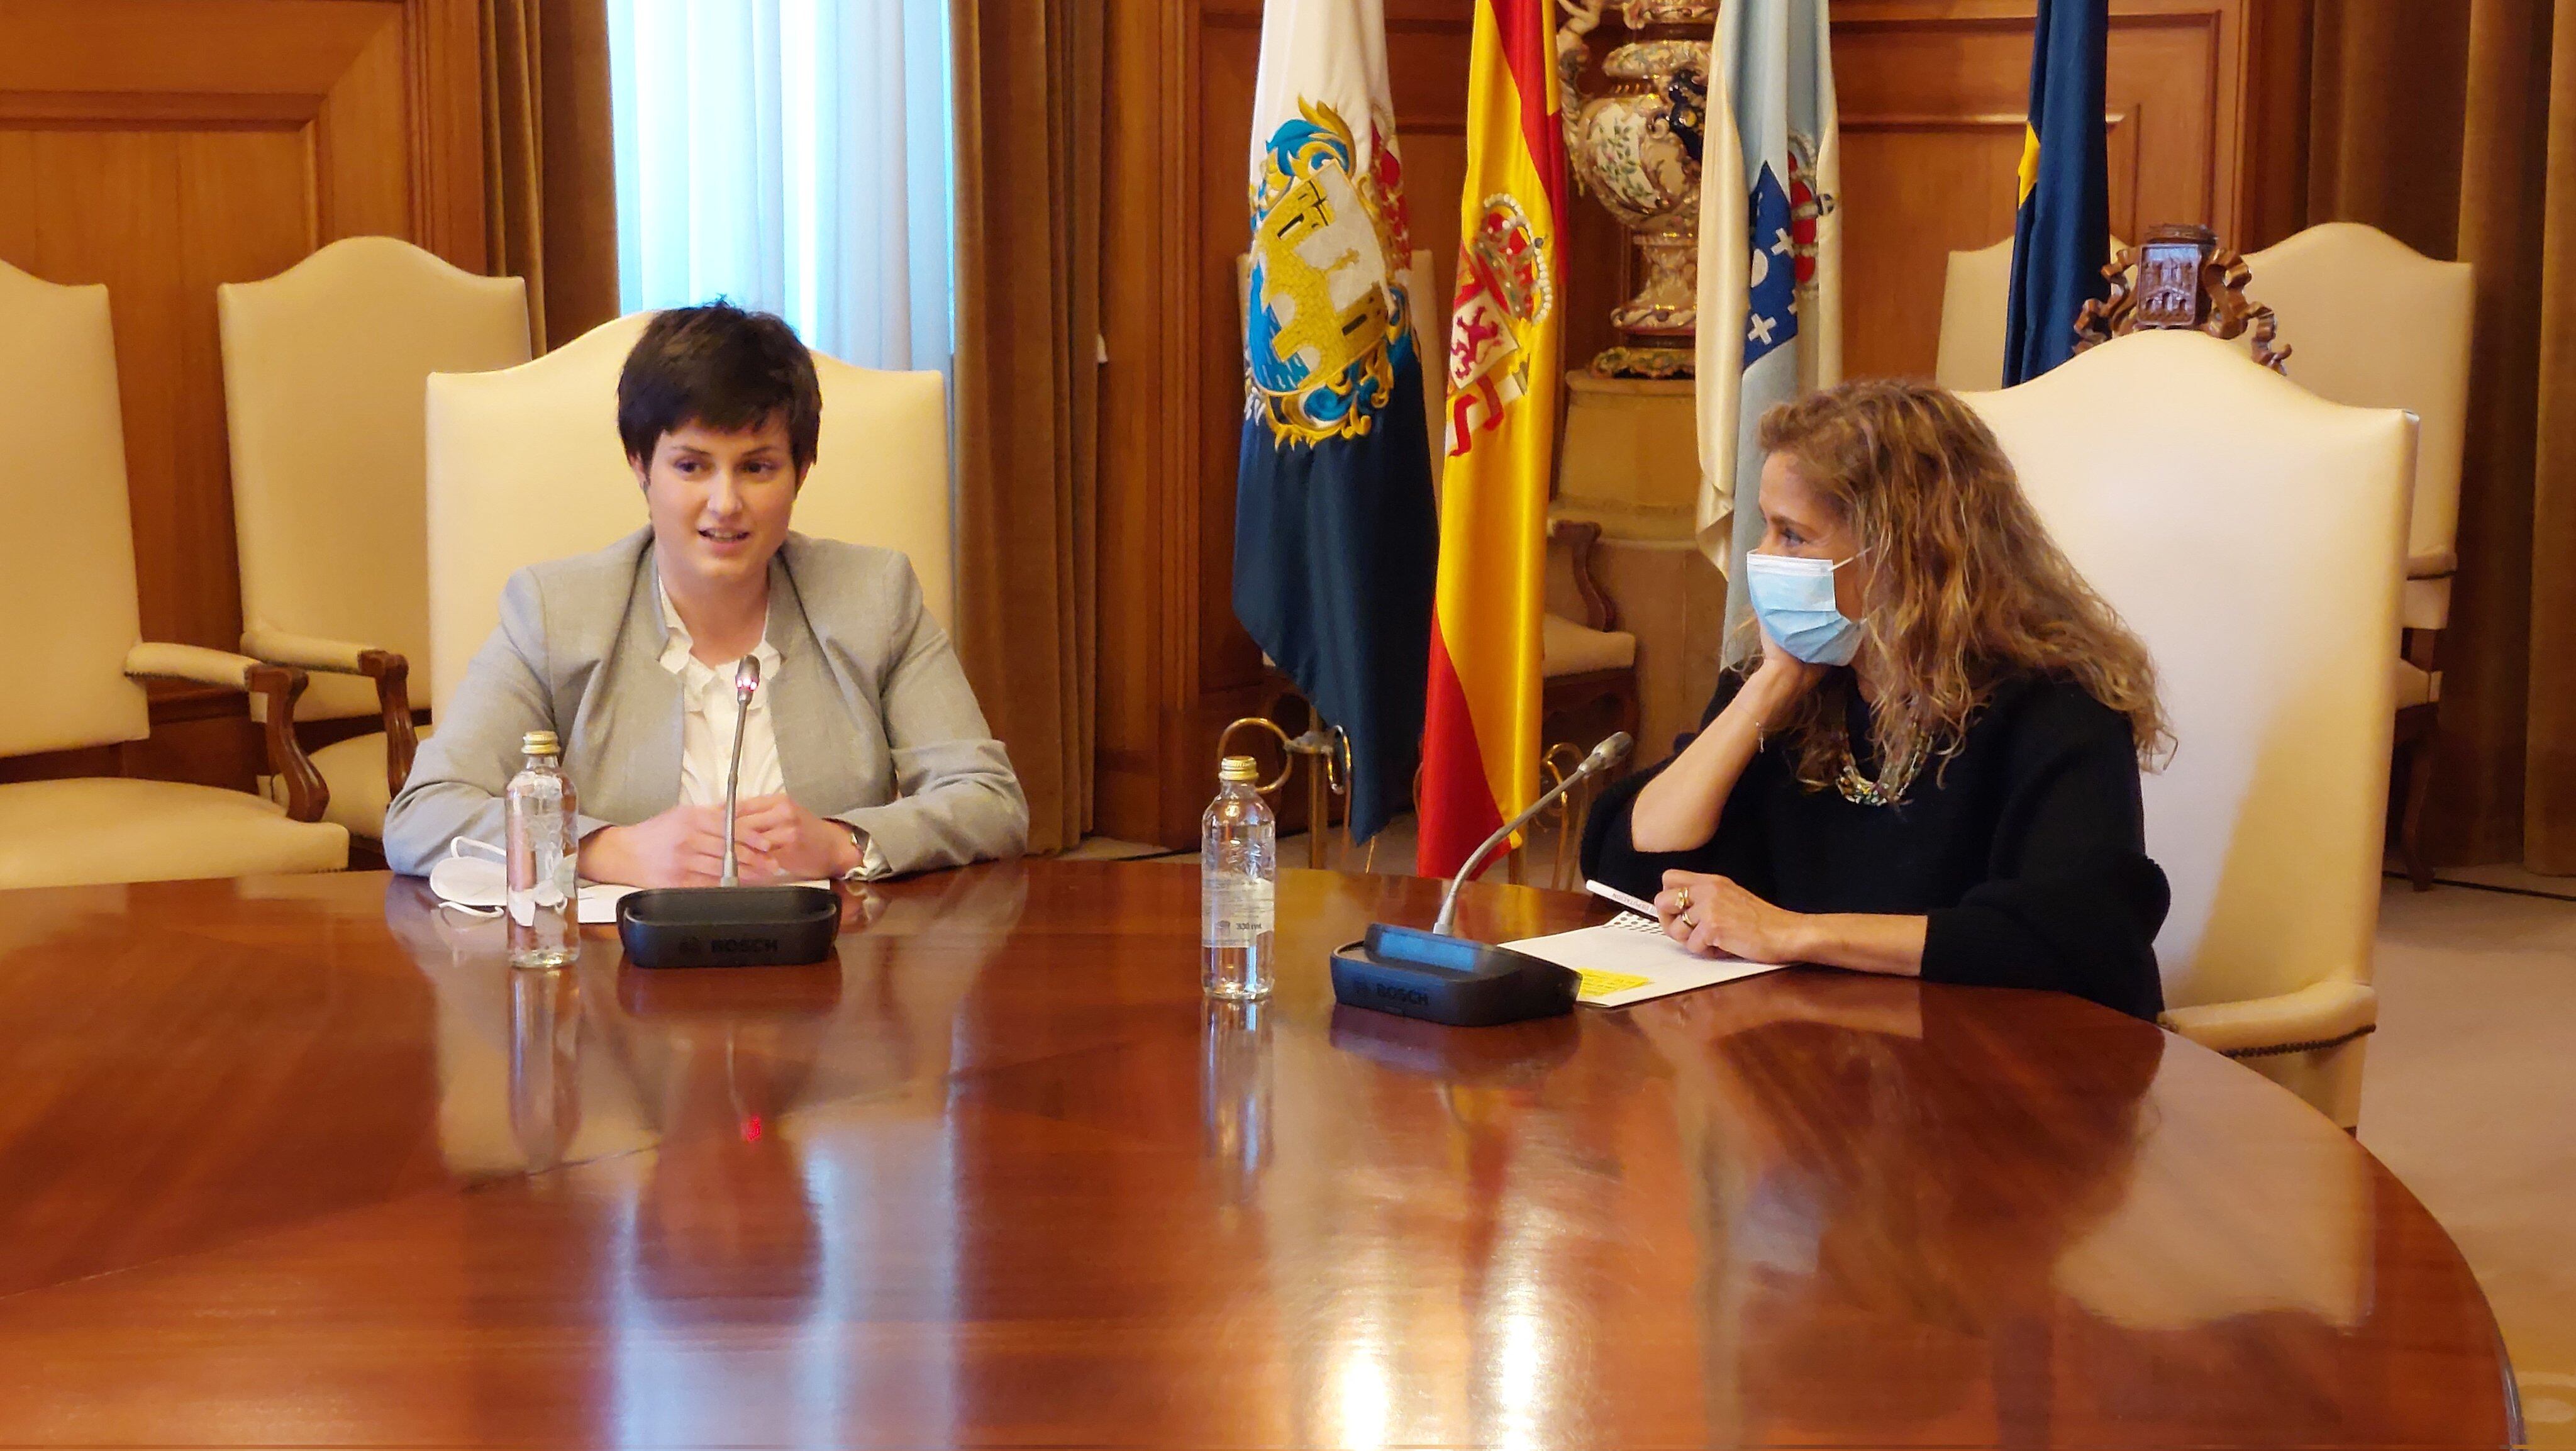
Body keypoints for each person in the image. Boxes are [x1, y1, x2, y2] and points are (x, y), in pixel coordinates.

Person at [1580, 380, 2170, 1020]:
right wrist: (1770, 686)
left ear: (1906, 554)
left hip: (2004, 1066)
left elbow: (2074, 939)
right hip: (1823, 1056)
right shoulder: (1796, 683)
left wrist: (1792, 932)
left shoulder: (2056, 703)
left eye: (1792, 536)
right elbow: (1632, 867)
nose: (1760, 557)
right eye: (1765, 528)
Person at [385, 302, 1027, 885]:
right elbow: (423, 815)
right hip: (621, 986)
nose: (726, 504)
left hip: (834, 972)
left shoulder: (874, 598)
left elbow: (989, 800)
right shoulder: (554, 612)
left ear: (800, 472)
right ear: (641, 466)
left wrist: (843, 843)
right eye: (692, 466)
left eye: (757, 467)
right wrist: (604, 851)